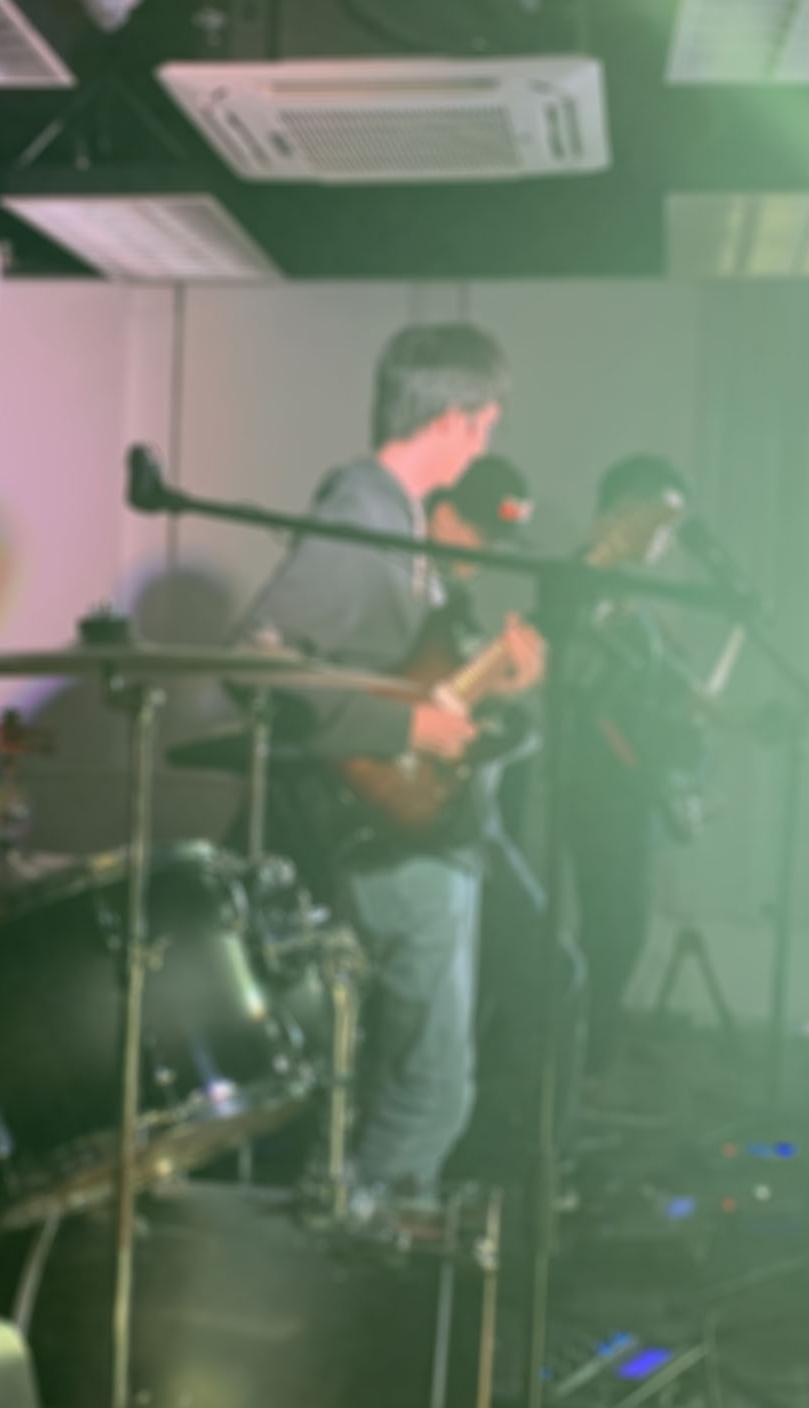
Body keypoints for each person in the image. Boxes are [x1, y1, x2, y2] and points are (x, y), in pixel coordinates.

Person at [234, 324, 545, 1204]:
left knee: (415, 1089)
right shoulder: (364, 516)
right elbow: (254, 661)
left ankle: (354, 1243)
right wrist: (406, 730)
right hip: (391, 846)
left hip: (410, 841)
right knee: (429, 1097)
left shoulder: (396, 522)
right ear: (450, 418)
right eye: (483, 426)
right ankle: (357, 1255)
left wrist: (492, 686)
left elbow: (401, 676)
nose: (483, 447)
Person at [553, 455, 707, 1080]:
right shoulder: (578, 580)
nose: (666, 541)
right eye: (660, 523)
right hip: (584, 784)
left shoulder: (640, 606)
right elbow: (572, 656)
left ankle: (587, 1068)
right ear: (623, 512)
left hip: (630, 788)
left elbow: (672, 693)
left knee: (621, 932)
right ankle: (564, 1069)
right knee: (600, 932)